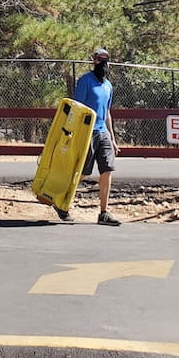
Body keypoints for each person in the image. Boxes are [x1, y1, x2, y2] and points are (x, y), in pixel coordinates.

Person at [72, 48, 121, 226]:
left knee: (107, 170)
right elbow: (78, 107)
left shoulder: (108, 86)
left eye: (106, 59)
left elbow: (107, 112)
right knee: (83, 171)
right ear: (94, 61)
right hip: (87, 132)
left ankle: (104, 212)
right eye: (100, 59)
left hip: (103, 133)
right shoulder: (85, 81)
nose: (103, 63)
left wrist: (113, 138)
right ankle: (63, 201)